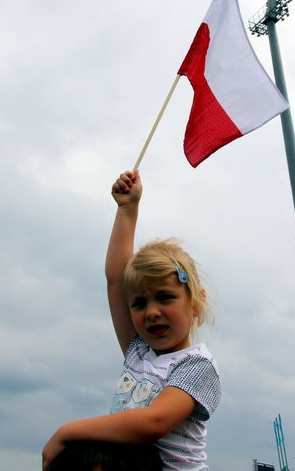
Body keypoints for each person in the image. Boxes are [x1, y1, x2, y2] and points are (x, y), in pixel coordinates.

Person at [42, 170, 220, 471]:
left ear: (195, 303)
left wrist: (68, 432)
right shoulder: (138, 352)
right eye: (139, 303)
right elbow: (115, 280)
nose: (151, 312)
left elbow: (154, 422)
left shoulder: (197, 366)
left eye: (165, 298)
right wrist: (127, 209)